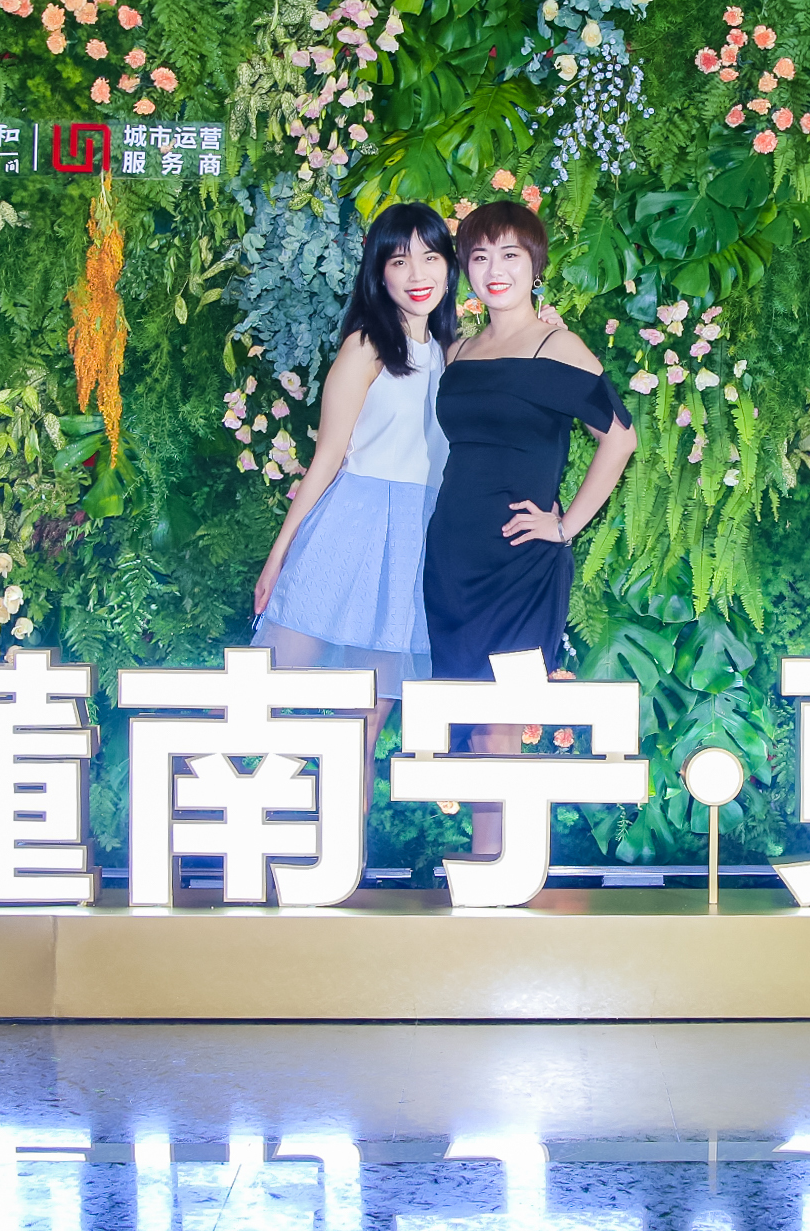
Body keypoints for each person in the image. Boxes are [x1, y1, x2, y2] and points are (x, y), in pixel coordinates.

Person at [424, 200, 638, 855]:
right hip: (453, 557)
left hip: (520, 561)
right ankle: (488, 863)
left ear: (535, 266)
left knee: (504, 720)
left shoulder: (556, 346)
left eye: (510, 255)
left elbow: (621, 437)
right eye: (480, 256)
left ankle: (503, 867)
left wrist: (566, 525)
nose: (495, 269)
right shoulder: (458, 350)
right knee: (469, 720)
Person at [254, 202, 456, 771]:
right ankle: (246, 812)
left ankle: (346, 832)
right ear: (379, 273)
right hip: (352, 525)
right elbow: (326, 460)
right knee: (271, 697)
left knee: (362, 731)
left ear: (449, 267)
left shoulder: (453, 352)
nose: (417, 275)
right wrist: (279, 556)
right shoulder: (367, 346)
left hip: (416, 541)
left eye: (430, 258)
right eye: (399, 261)